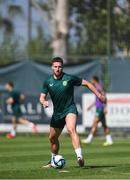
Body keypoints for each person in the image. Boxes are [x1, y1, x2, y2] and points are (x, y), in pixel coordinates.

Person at [39, 57, 106, 168]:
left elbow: (87, 83)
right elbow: (41, 97)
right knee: (52, 138)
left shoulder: (69, 78)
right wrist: (44, 102)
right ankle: (52, 161)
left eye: (59, 66)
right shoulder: (48, 82)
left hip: (70, 109)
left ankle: (79, 156)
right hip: (57, 114)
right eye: (55, 66)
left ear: (62, 67)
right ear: (52, 67)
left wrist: (98, 95)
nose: (57, 69)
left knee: (71, 129)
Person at [82, 76, 113, 146]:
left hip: (100, 108)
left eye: (91, 80)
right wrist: (90, 106)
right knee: (104, 125)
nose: (91, 81)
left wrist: (105, 107)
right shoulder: (96, 87)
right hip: (99, 107)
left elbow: (104, 96)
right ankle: (109, 140)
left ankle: (89, 139)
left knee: (94, 123)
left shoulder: (98, 87)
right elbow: (97, 99)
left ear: (94, 80)